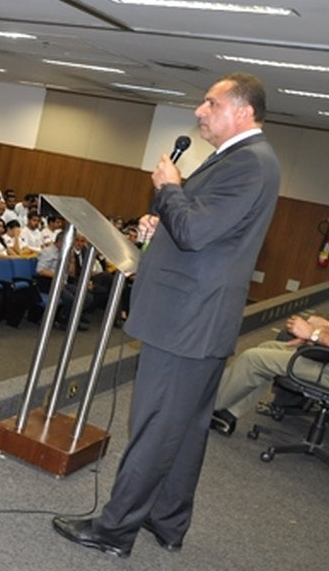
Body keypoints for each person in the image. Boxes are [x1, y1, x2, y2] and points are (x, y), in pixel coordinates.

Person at [52, 73, 281, 557]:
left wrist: (171, 189)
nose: (200, 110)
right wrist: (165, 218)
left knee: (155, 427)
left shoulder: (251, 163)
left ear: (242, 112)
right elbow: (207, 229)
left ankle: (114, 531)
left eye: (211, 103)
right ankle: (167, 520)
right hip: (197, 320)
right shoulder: (239, 160)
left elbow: (197, 232)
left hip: (186, 321)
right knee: (185, 428)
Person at [210, 291, 329, 436]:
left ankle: (205, 411)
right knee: (268, 347)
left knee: (253, 358)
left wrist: (315, 336)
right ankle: (227, 414)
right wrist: (317, 331)